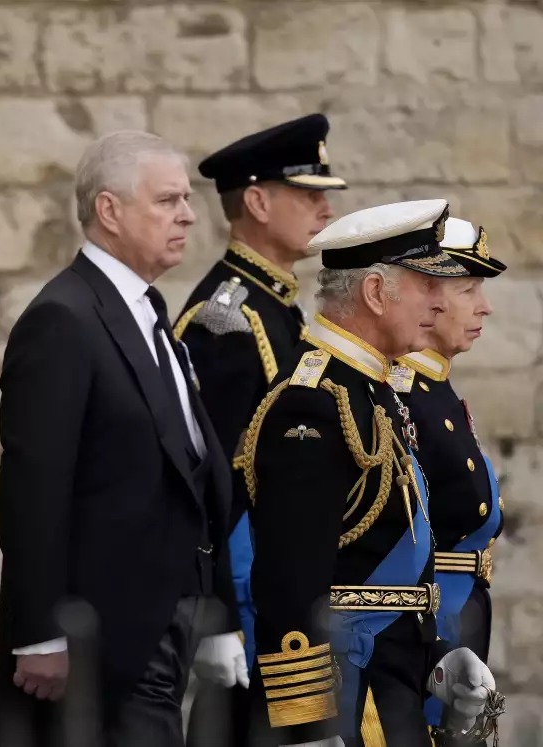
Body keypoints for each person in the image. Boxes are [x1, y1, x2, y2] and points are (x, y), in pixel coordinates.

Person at [0, 130, 244, 747]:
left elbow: (194, 478)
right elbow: (34, 487)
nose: (187, 214)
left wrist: (216, 617)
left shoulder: (150, 316)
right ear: (109, 210)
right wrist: (41, 632)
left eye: (187, 199)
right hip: (102, 638)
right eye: (167, 200)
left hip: (167, 622)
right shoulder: (64, 318)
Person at [239, 199, 497, 747]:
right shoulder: (312, 403)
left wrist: (439, 660)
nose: (439, 302)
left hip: (392, 681)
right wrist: (308, 725)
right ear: (377, 293)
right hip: (347, 692)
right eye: (427, 285)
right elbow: (291, 580)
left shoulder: (373, 391)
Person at [175, 113, 345, 747]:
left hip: (286, 598)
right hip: (251, 612)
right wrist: (215, 615)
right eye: (308, 194)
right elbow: (205, 486)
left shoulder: (277, 309)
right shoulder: (228, 322)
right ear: (256, 200)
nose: (325, 208)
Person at [387, 217, 506, 736]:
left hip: (462, 610)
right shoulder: (401, 392)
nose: (485, 307)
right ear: (427, 297)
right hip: (431, 615)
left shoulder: (435, 386)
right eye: (468, 289)